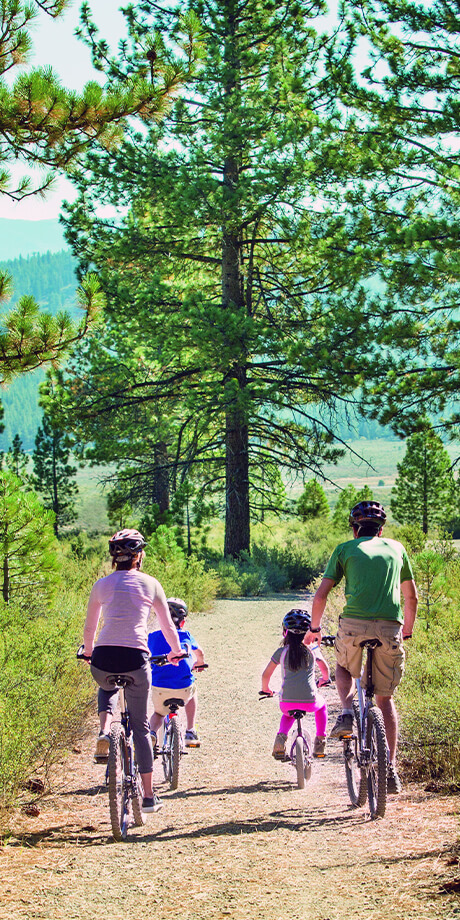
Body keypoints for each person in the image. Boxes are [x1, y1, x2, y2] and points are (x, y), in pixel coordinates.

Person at [303, 500, 418, 794]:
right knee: (385, 699)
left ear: (355, 529)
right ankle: (389, 769)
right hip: (390, 628)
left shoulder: (345, 549)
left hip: (353, 626)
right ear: (381, 529)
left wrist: (315, 630)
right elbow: (412, 598)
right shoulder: (397, 548)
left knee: (343, 665)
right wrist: (407, 630)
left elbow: (320, 596)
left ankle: (346, 712)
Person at [82, 528, 183, 814]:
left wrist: (88, 652)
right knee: (140, 727)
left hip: (103, 657)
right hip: (136, 659)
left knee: (107, 685)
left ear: (114, 558)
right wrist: (175, 652)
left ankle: (104, 731)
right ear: (139, 556)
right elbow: (167, 626)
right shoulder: (151, 584)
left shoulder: (101, 585)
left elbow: (90, 628)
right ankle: (149, 797)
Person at [260, 609, 330, 760]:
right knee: (322, 705)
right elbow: (324, 667)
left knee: (288, 713)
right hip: (310, 702)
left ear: (285, 632)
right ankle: (320, 742)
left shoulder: (281, 652)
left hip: (286, 702)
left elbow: (266, 674)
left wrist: (266, 689)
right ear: (308, 633)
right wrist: (325, 679)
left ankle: (280, 740)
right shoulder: (312, 650)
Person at [148, 597, 206, 748]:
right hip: (183, 690)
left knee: (159, 714)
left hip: (160, 689)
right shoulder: (186, 635)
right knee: (193, 689)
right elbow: (199, 652)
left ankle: (151, 735)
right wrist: (199, 663)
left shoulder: (153, 637)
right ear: (183, 622)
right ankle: (190, 730)